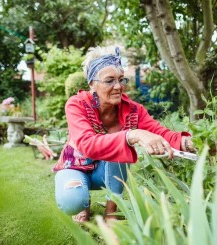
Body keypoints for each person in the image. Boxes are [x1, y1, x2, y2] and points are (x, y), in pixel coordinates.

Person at [52, 46, 196, 223]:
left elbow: (160, 132)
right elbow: (87, 144)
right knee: (73, 201)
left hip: (104, 173)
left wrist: (188, 142)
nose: (118, 86)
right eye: (110, 80)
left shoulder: (133, 110)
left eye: (121, 79)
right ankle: (83, 202)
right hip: (74, 167)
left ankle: (111, 212)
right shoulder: (77, 105)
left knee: (119, 151)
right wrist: (132, 135)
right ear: (92, 83)